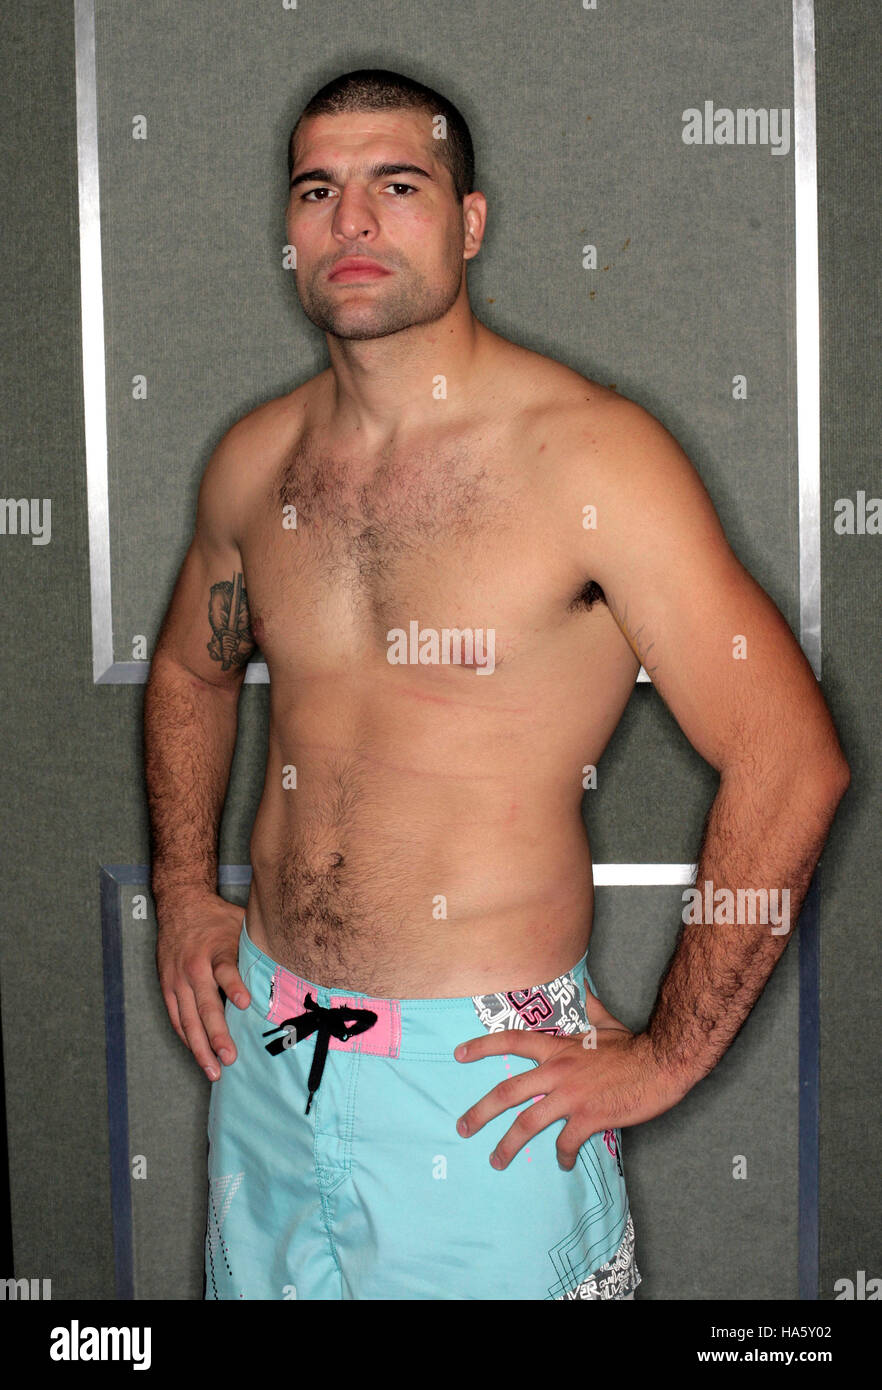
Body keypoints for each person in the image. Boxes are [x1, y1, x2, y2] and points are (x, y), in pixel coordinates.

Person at [143, 68, 850, 1301]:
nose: (352, 220)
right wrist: (183, 886)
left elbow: (791, 757)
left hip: (485, 1089)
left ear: (469, 222)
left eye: (396, 185)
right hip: (268, 1057)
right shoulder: (256, 462)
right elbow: (191, 669)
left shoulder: (591, 455)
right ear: (290, 234)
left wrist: (666, 1058)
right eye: (319, 190)